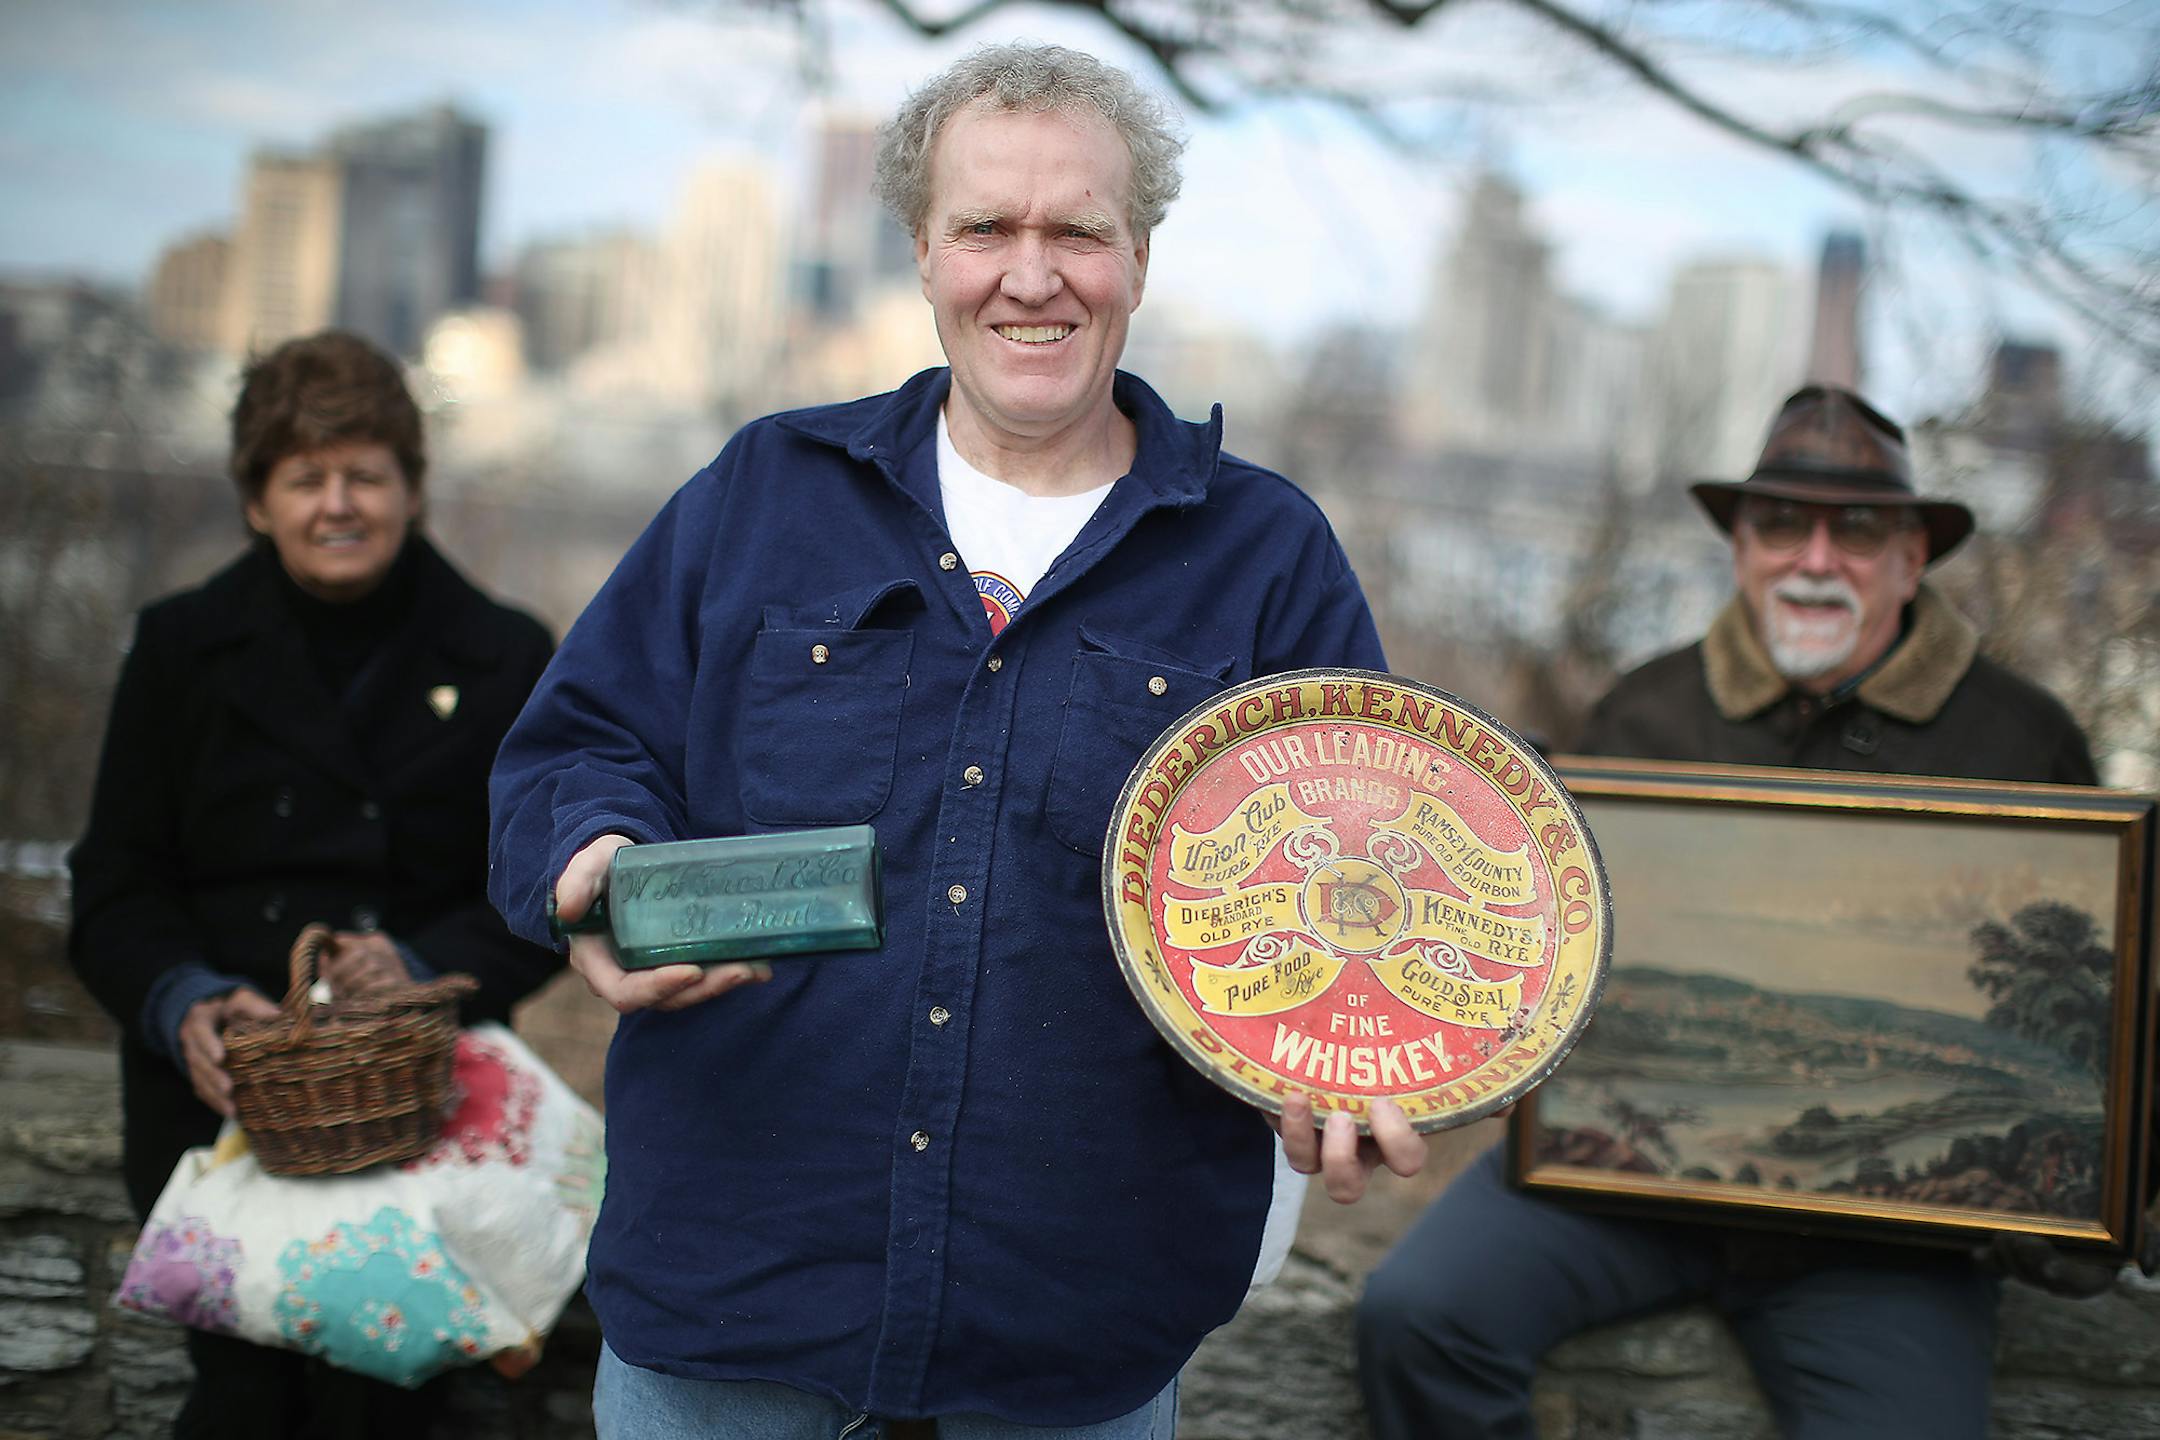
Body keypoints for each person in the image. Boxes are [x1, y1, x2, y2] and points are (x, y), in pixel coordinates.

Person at [488, 43, 1422, 1439]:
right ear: (924, 252)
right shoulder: (762, 492)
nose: (1029, 275)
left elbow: (1374, 865)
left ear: (1140, 259)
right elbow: (573, 750)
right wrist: (596, 859)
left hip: (1076, 1340)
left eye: (1077, 232)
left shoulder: (1265, 554)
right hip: (732, 1304)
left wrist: (1365, 1041)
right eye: (985, 227)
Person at [1357, 384, 2104, 1440]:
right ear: (1741, 545)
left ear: (1911, 556)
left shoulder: (2023, 743)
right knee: (1416, 1317)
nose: (1813, 557)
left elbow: (2099, 1007)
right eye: (1780, 524)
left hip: (1883, 1242)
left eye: (1857, 530)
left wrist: (2081, 1187)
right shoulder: (1643, 710)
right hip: (1616, 1185)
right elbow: (1531, 952)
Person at [68, 330, 561, 1438]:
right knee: (241, 1402)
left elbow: (543, 893)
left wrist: (425, 968)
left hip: (424, 1102)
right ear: (257, 501)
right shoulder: (180, 649)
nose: (338, 505)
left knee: (382, 1407)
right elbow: (112, 884)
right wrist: (180, 1001)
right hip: (218, 1111)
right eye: (306, 479)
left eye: (365, 476)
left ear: (412, 488)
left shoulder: (505, 654)